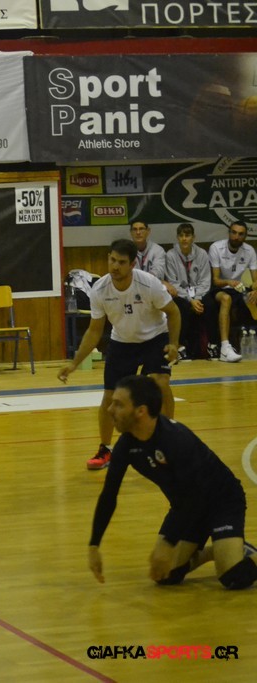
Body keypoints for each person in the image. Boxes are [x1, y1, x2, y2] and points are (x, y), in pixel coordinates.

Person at [88, 375, 257, 590]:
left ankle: (232, 550)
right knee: (164, 575)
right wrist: (94, 545)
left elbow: (196, 494)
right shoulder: (126, 445)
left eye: (119, 404)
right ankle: (213, 551)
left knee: (232, 576)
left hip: (221, 501)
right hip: (186, 506)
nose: (110, 409)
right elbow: (109, 495)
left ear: (141, 411)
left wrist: (168, 543)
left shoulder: (176, 439)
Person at [58, 239, 180, 471]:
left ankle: (168, 442)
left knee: (160, 382)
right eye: (112, 260)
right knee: (110, 397)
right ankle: (105, 449)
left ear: (132, 264)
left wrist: (173, 344)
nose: (115, 266)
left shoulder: (149, 284)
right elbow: (94, 331)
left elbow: (174, 313)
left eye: (121, 262)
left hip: (155, 337)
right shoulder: (99, 290)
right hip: (122, 342)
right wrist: (74, 363)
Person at [204, 221, 257, 363]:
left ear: (245, 236)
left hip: (239, 288)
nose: (236, 237)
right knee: (226, 299)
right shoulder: (216, 247)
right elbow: (215, 280)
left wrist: (255, 290)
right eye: (233, 232)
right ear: (229, 233)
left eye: (240, 234)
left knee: (253, 298)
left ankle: (251, 341)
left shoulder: (249, 250)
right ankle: (225, 348)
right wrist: (229, 282)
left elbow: (255, 280)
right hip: (219, 288)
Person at [163, 223, 210, 360]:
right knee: (182, 306)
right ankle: (179, 346)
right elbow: (172, 283)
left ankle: (212, 345)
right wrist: (191, 300)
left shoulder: (202, 254)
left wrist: (197, 298)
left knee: (211, 305)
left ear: (193, 237)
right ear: (177, 237)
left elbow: (205, 281)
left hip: (199, 294)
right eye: (181, 235)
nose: (184, 239)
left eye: (187, 235)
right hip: (180, 295)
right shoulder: (170, 255)